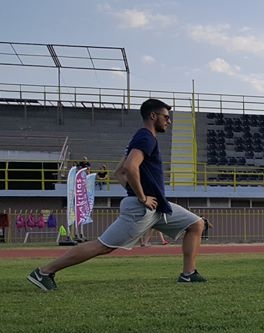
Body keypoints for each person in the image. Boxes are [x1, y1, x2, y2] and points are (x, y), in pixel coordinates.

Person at [28, 98, 207, 291]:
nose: (168, 121)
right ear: (152, 116)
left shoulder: (142, 138)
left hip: (157, 207)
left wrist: (136, 192)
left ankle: (188, 274)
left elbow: (119, 173)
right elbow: (130, 167)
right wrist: (141, 197)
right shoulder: (145, 137)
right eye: (165, 117)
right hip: (141, 208)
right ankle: (44, 272)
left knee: (196, 223)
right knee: (103, 246)